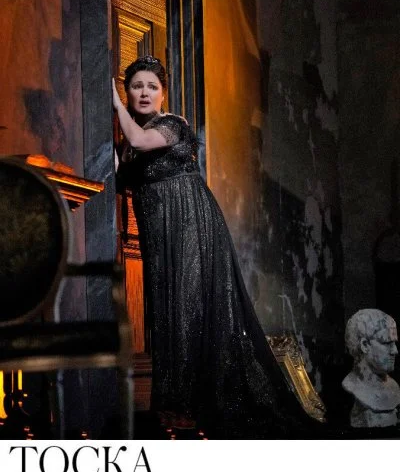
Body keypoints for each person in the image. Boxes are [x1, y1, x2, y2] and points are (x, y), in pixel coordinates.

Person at [113, 55, 322, 438]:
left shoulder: (171, 124)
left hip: (191, 226)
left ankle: (191, 406)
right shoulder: (130, 143)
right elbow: (124, 169)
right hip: (159, 235)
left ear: (162, 94)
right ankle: (174, 406)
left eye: (151, 87)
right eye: (136, 86)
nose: (143, 93)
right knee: (166, 310)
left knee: (187, 307)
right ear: (128, 90)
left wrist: (112, 102)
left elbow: (140, 140)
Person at [342, 308, 400, 428]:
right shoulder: (352, 388)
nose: (395, 350)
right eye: (387, 343)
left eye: (394, 343)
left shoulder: (394, 387)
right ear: (365, 345)